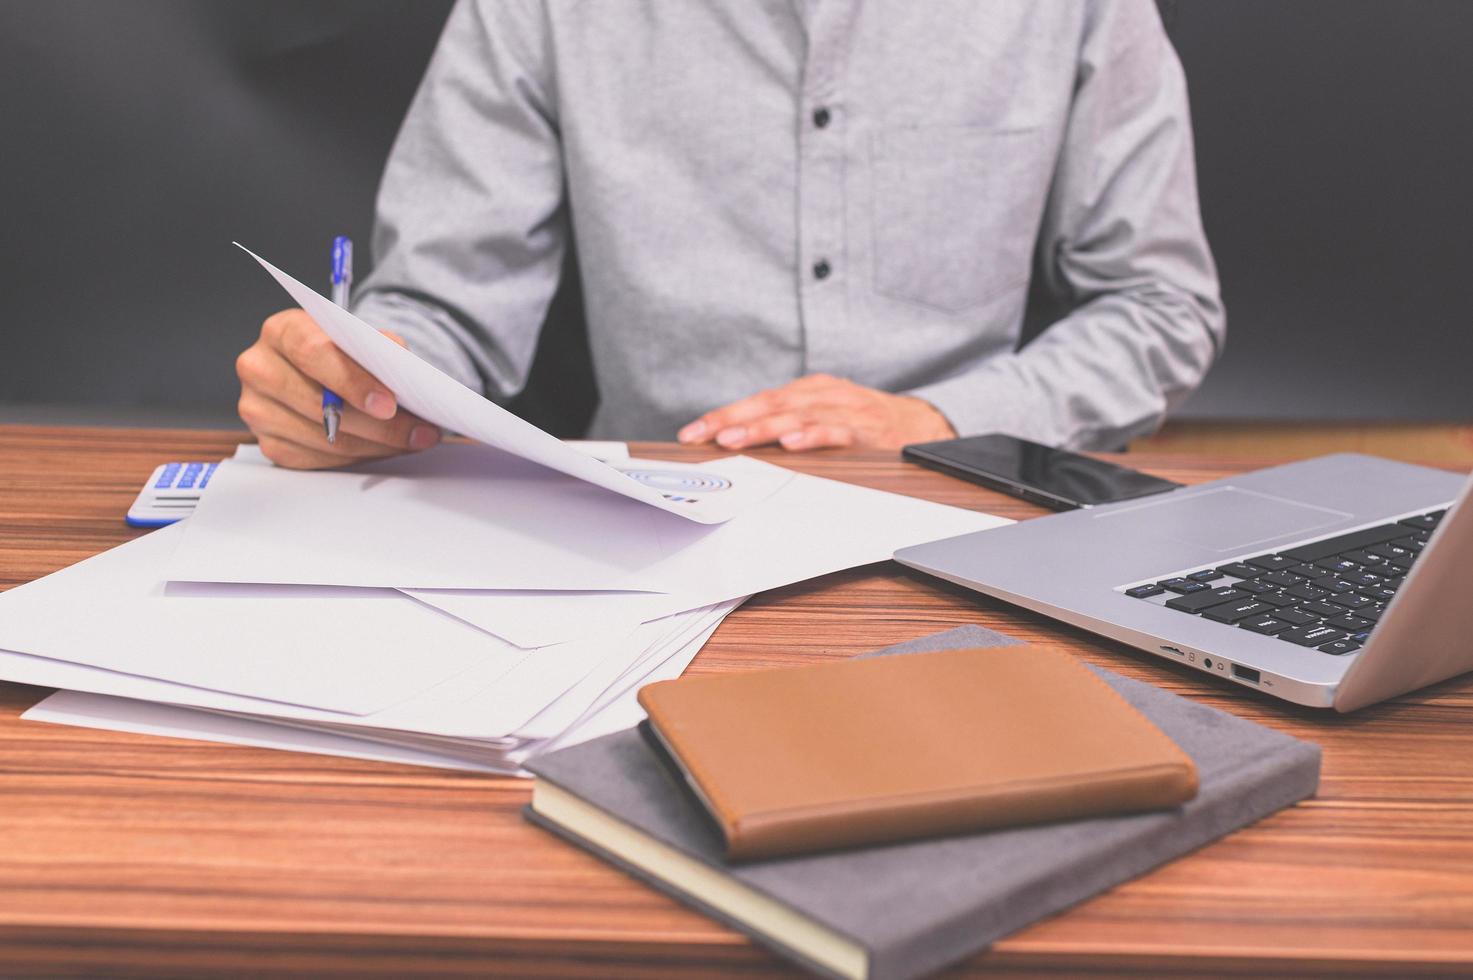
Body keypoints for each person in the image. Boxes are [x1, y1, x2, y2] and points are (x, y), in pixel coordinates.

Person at [236, 0, 1223, 470]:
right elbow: (442, 306)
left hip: (964, 515)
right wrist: (365, 376)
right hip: (634, 530)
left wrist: (940, 418)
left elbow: (1161, 308)